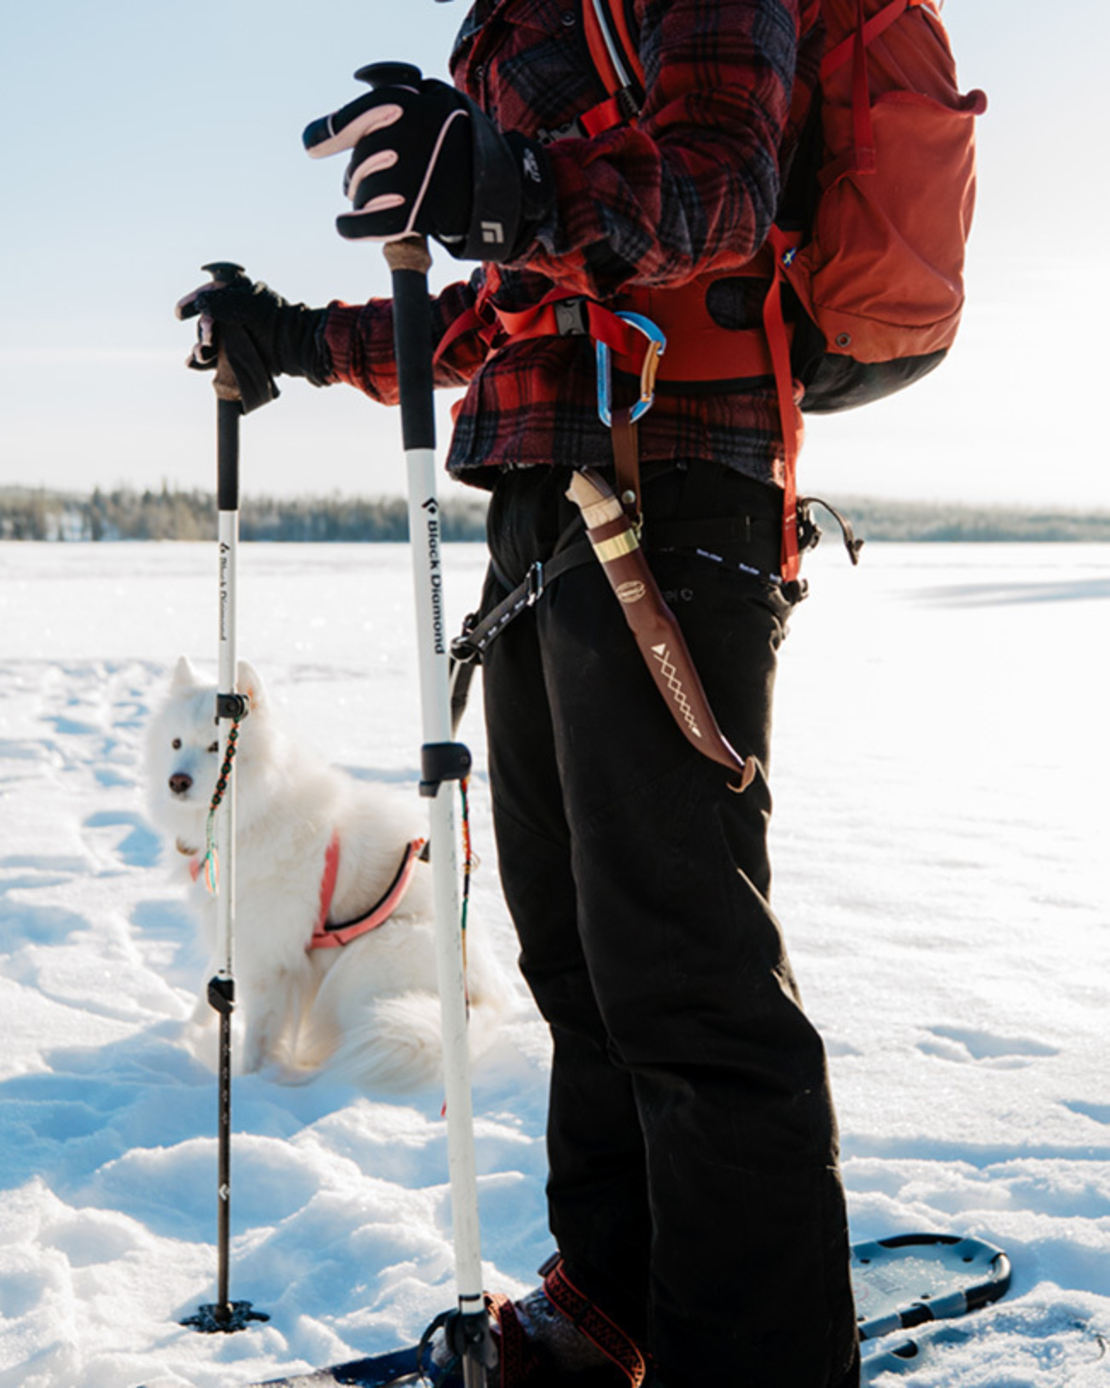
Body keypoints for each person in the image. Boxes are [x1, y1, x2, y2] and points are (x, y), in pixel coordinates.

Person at [178, 1, 860, 1383]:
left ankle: (751, 1355)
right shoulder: (515, 23)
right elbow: (498, 312)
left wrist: (501, 183)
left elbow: (722, 184)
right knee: (575, 962)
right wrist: (294, 339)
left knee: (683, 973)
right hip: (544, 505)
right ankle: (613, 1303)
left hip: (673, 487)